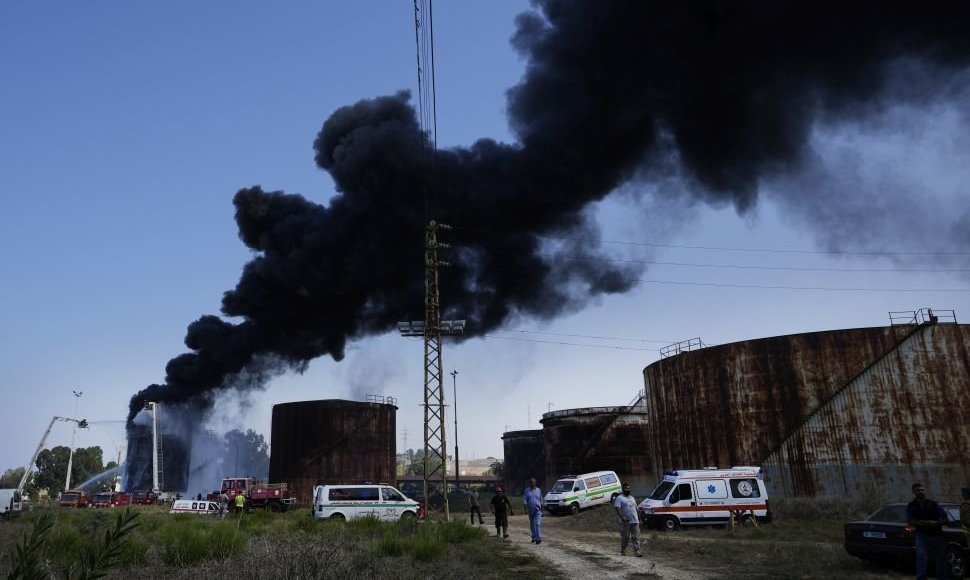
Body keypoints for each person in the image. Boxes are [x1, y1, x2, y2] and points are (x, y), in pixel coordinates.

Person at [906, 483, 948, 580]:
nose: (921, 492)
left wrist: (935, 523)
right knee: (921, 556)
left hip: (936, 534)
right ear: (914, 492)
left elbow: (945, 519)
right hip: (921, 534)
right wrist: (920, 523)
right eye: (918, 490)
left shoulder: (933, 503)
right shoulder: (911, 505)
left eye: (922, 490)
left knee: (940, 558)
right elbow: (909, 520)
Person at [613, 483, 642, 557]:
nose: (628, 489)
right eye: (626, 488)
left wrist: (639, 518)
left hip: (635, 521)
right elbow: (617, 508)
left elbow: (636, 509)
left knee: (636, 537)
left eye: (629, 488)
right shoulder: (619, 498)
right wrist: (623, 518)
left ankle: (637, 551)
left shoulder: (632, 498)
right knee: (625, 537)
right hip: (626, 522)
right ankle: (623, 550)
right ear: (623, 489)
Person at [523, 478, 543, 544]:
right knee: (532, 524)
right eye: (531, 482)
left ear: (535, 483)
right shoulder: (527, 490)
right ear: (530, 483)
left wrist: (542, 509)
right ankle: (533, 536)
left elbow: (541, 500)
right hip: (530, 509)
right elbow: (525, 500)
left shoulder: (539, 490)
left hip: (538, 509)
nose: (532, 483)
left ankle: (538, 538)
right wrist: (525, 509)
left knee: (537, 523)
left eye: (533, 482)